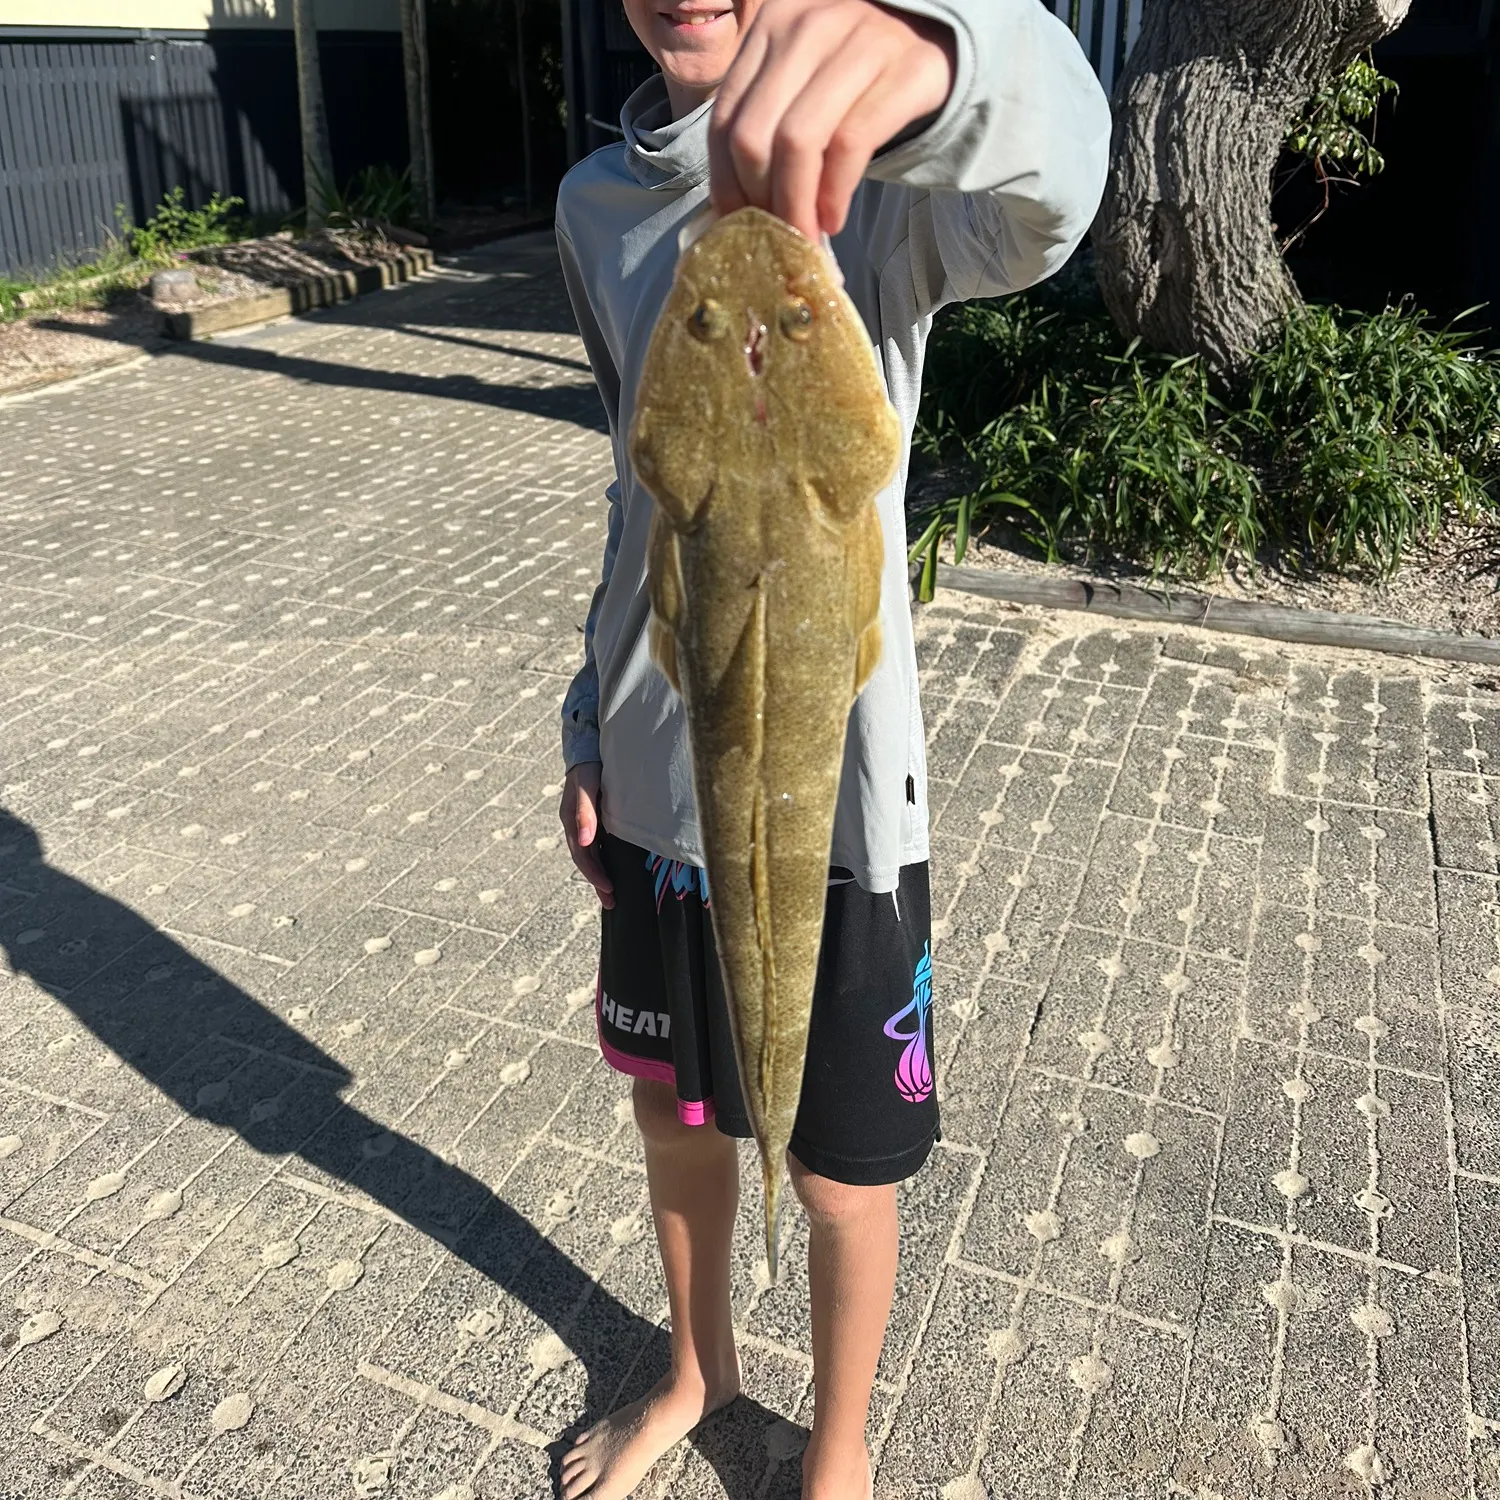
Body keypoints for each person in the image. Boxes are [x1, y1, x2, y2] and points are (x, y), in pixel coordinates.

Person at [554, 2, 1111, 1495]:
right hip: (659, 786)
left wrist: (948, 60)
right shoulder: (593, 207)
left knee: (836, 1165)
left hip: (846, 808)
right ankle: (696, 1366)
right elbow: (634, 489)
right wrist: (586, 723)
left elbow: (1062, 180)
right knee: (678, 1115)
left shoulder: (889, 201)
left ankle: (841, 1446)